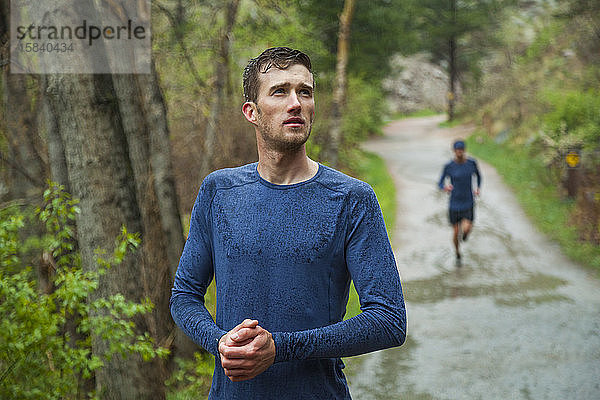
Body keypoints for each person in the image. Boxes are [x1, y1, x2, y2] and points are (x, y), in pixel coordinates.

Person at [170, 47, 406, 399]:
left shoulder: (352, 198)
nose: (295, 103)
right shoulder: (219, 191)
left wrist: (280, 349)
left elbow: (389, 320)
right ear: (252, 111)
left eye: (305, 91)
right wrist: (219, 341)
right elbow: (184, 296)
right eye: (280, 91)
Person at [438, 139, 482, 261]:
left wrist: (478, 188)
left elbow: (478, 176)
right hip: (454, 203)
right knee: (456, 232)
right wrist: (445, 187)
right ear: (454, 151)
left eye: (461, 150)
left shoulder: (471, 164)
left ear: (464, 150)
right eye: (457, 150)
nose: (459, 152)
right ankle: (457, 252)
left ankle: (465, 236)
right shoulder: (449, 166)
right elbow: (440, 183)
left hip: (468, 201)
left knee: (467, 228)